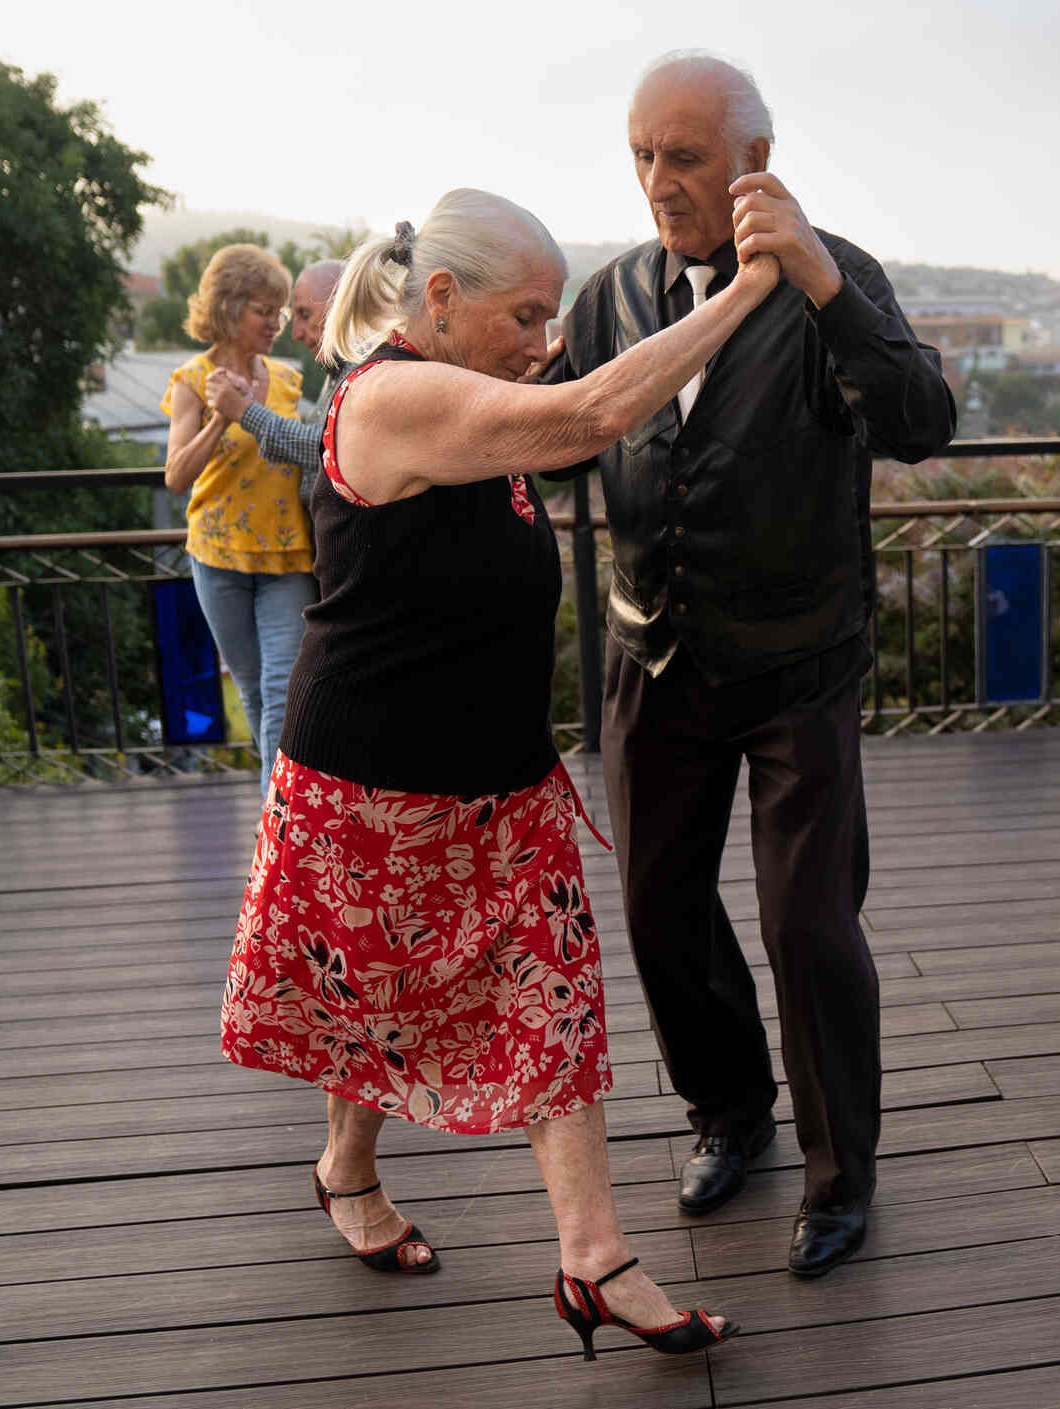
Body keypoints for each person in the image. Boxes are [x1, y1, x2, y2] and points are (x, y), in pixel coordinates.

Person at [219, 188, 780, 1357]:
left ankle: (593, 1256)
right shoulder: (392, 394)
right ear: (440, 300)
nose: (542, 340)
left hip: (496, 780)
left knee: (552, 1004)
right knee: (369, 998)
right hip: (372, 783)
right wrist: (749, 289)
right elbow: (590, 413)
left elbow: (559, 402)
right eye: (524, 315)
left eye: (551, 316)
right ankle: (347, 1167)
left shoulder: (473, 390)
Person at [545, 51, 955, 1278]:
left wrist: (828, 284)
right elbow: (553, 431)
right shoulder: (611, 291)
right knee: (658, 904)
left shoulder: (836, 280)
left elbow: (922, 424)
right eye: (641, 153)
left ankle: (840, 1177)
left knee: (808, 922)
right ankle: (729, 1108)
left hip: (796, 663)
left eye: (682, 155)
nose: (658, 180)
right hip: (649, 652)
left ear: (752, 163)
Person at [161, 245, 316, 799]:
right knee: (251, 688)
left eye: (281, 312)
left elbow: (310, 450)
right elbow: (176, 477)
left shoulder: (289, 380)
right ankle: (279, 814)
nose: (277, 324)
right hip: (218, 557)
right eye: (263, 311)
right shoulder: (192, 379)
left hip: (288, 556)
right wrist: (221, 421)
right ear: (228, 309)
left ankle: (280, 820)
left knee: (282, 689)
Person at [204, 259, 347, 488]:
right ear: (229, 312)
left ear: (341, 305)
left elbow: (332, 452)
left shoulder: (361, 372)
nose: (293, 333)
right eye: (263, 312)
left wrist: (244, 411)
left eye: (304, 314)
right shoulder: (336, 369)